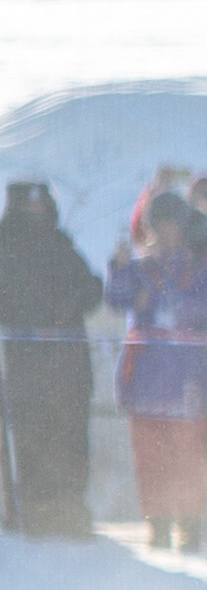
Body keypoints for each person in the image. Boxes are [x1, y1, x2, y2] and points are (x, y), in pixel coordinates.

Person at [106, 192, 207, 551]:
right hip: (146, 374)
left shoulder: (204, 266)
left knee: (188, 453)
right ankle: (156, 523)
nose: (165, 233)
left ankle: (188, 524)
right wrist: (118, 267)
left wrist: (177, 306)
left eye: (173, 224)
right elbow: (116, 299)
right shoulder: (138, 266)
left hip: (187, 373)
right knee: (150, 453)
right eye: (158, 225)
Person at [0, 182, 98, 536]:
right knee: (30, 438)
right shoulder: (6, 248)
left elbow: (90, 288)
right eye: (29, 204)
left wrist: (66, 305)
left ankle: (70, 509)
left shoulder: (62, 245)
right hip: (25, 368)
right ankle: (32, 511)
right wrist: (34, 313)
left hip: (68, 365)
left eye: (42, 203)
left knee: (70, 438)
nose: (36, 211)